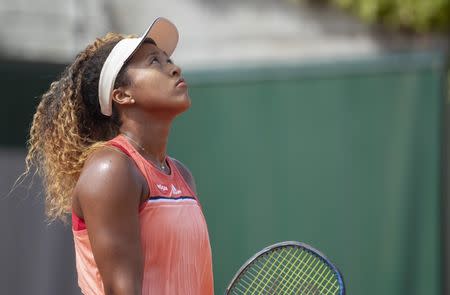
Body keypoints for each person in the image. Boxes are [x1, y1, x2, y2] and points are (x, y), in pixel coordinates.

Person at [25, 17, 214, 295]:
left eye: (168, 59)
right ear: (122, 95)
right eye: (154, 62)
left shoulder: (182, 176)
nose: (175, 69)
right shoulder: (111, 169)